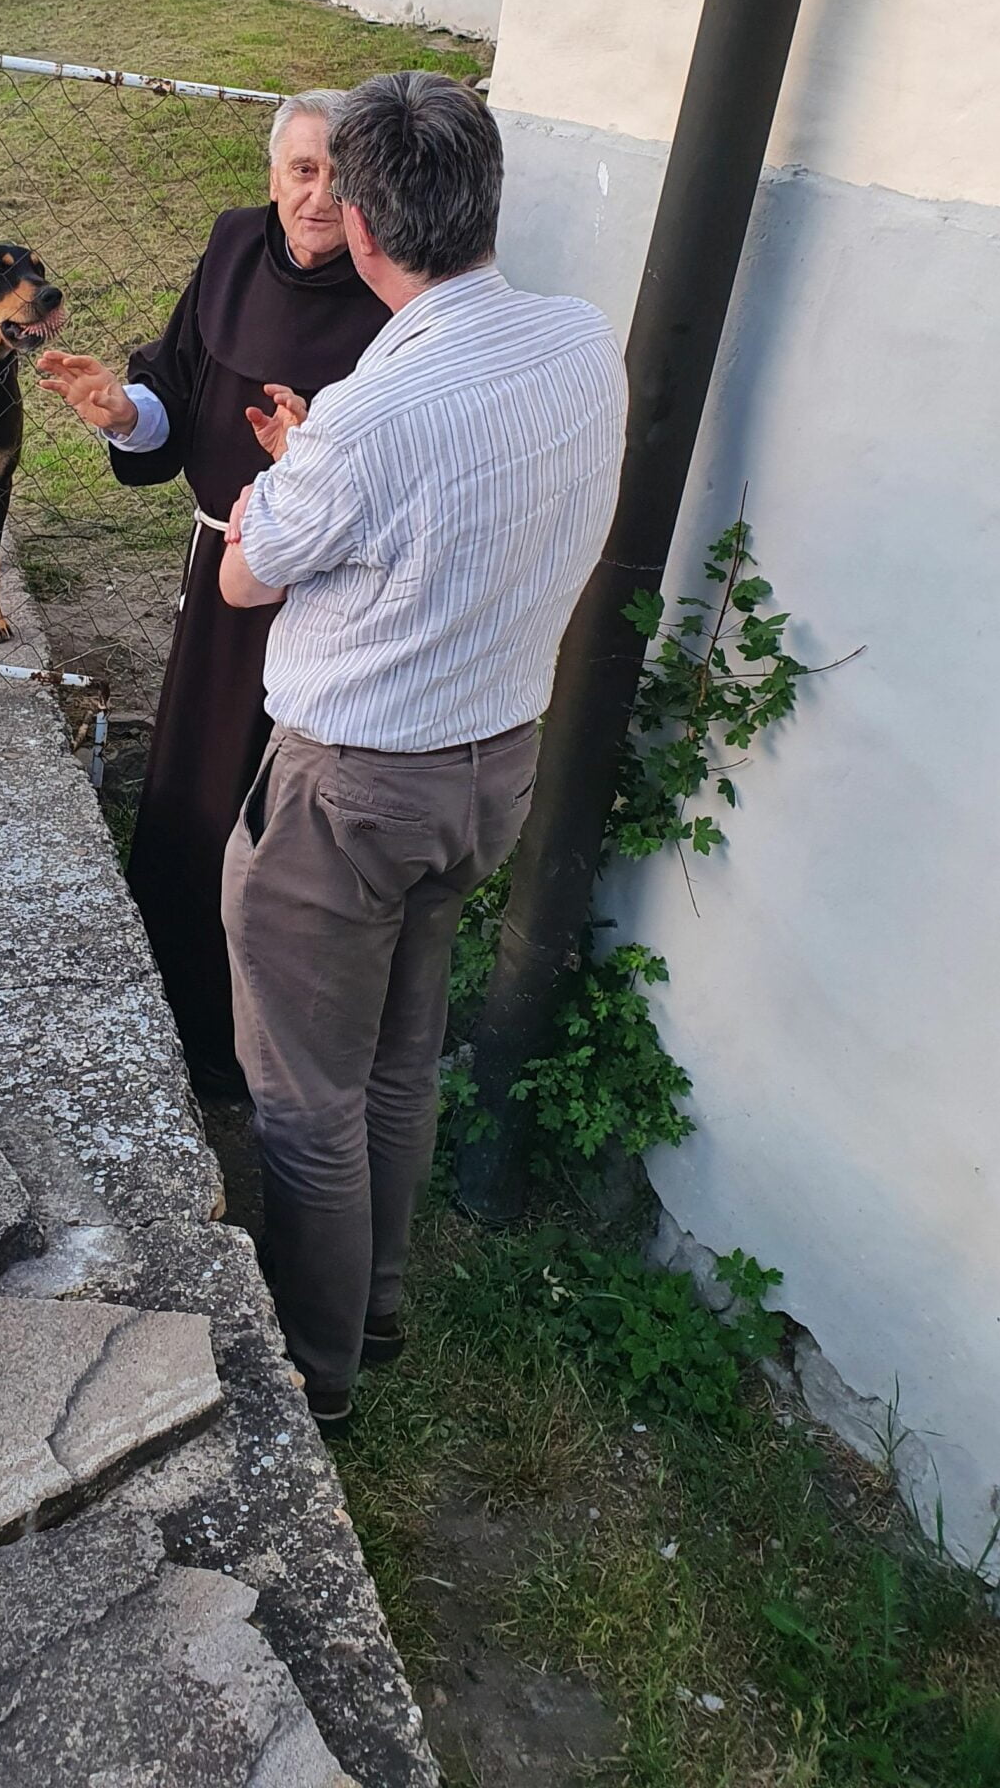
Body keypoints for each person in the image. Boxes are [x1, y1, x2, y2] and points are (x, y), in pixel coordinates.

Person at [217, 70, 626, 1429]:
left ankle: (317, 1377)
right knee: (399, 1058)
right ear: (488, 197)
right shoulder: (579, 344)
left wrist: (288, 474)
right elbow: (447, 511)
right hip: (488, 767)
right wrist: (319, 468)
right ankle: (379, 1302)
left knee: (307, 1098)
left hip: (351, 789)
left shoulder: (370, 417)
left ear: (364, 227)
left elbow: (249, 576)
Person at [36, 92, 388, 1094]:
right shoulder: (234, 246)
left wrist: (314, 455)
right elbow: (175, 390)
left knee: (274, 807)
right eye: (303, 171)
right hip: (216, 578)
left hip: (320, 595)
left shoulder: (389, 292)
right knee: (195, 784)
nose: (319, 197)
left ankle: (249, 1044)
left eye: (341, 178)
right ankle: (169, 1004)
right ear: (272, 175)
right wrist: (124, 413)